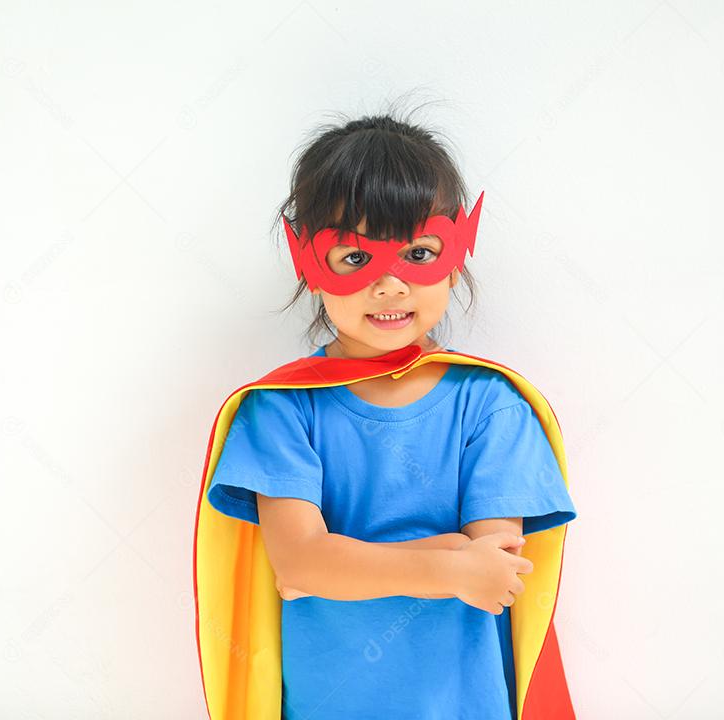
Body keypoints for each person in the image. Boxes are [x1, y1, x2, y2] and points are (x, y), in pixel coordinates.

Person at [198, 110, 578, 720]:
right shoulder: (281, 410)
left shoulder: (491, 404)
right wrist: (452, 561)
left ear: (456, 258)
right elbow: (300, 562)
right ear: (307, 263)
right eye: (354, 258)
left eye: (420, 253)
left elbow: (497, 573)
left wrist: (338, 564)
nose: (392, 285)